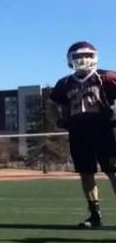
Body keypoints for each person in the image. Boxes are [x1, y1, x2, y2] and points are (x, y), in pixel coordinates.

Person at [48, 42, 116, 228]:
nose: (82, 60)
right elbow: (52, 103)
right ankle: (95, 214)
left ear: (94, 56)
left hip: (104, 131)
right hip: (79, 133)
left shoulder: (107, 77)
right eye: (77, 57)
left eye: (86, 55)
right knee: (86, 173)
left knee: (113, 172)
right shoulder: (64, 83)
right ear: (70, 60)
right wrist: (59, 120)